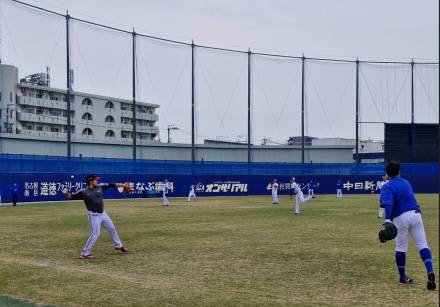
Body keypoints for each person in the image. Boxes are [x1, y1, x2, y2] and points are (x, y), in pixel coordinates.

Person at [380, 161, 435, 289]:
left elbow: (388, 203)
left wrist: (388, 220)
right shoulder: (406, 182)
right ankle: (430, 270)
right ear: (399, 171)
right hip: (416, 214)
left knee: (401, 247)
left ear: (387, 174)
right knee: (422, 245)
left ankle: (403, 277)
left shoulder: (387, 186)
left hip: (400, 217)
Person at [62, 174, 130, 259]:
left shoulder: (100, 186)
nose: (97, 181)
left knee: (112, 228)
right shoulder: (84, 191)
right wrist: (66, 193)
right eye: (95, 180)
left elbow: (113, 184)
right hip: (94, 216)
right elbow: (71, 197)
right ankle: (84, 253)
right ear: (90, 181)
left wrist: (123, 185)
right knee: (95, 234)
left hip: (103, 213)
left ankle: (118, 245)